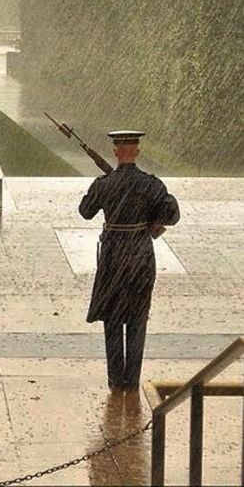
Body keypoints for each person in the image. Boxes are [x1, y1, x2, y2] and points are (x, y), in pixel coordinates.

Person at [79, 130, 179, 389]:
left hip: (113, 255)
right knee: (137, 318)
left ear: (115, 152)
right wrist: (151, 221)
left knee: (112, 318)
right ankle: (132, 380)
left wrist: (101, 188)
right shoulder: (152, 184)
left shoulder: (104, 183)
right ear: (137, 151)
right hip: (139, 254)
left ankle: (115, 379)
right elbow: (172, 213)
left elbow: (86, 212)